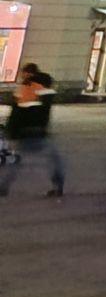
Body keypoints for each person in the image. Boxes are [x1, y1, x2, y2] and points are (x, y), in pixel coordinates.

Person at [0, 63, 64, 197]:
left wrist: (11, 131)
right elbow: (35, 111)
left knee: (16, 160)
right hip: (35, 133)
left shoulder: (28, 88)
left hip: (27, 133)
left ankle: (4, 187)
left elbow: (17, 112)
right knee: (54, 159)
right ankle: (58, 187)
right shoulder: (33, 89)